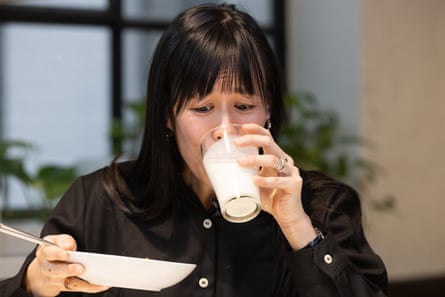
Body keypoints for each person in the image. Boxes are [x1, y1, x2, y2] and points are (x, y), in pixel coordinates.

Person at [0, 3, 388, 297]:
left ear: (268, 108)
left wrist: (296, 226)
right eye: (202, 109)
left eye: (244, 105)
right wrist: (38, 281)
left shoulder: (322, 207)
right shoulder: (100, 202)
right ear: (167, 115)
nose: (225, 129)